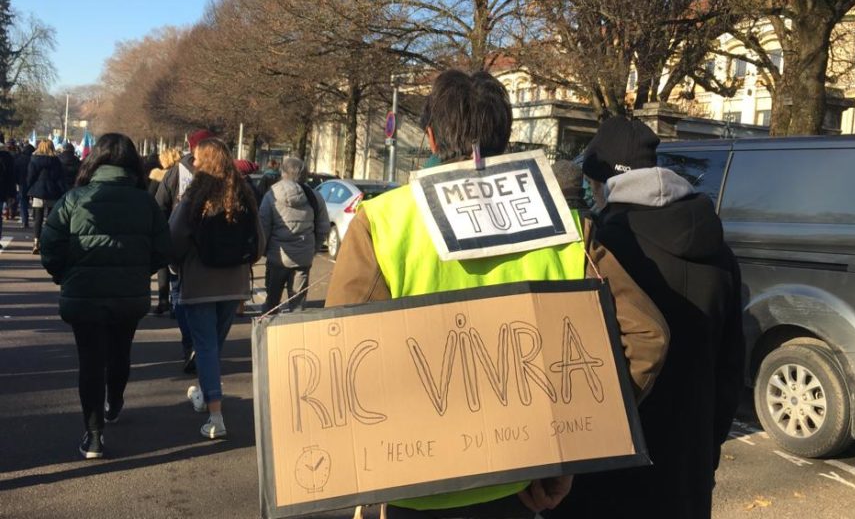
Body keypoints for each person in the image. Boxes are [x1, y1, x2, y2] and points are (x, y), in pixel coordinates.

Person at [326, 69, 669, 519]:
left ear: (430, 138)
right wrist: (579, 439)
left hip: (415, 485)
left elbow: (342, 355)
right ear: (505, 140)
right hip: (520, 482)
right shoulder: (565, 226)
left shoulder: (382, 222)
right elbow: (648, 336)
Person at [548, 118, 744, 519]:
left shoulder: (603, 250)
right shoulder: (720, 250)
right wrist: (707, 452)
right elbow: (731, 368)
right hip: (689, 466)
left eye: (590, 182)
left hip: (610, 470)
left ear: (602, 181)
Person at [39, 133, 171, 459]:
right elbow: (162, 249)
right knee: (120, 351)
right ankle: (115, 400)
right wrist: (140, 272)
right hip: (129, 292)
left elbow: (50, 246)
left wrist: (64, 275)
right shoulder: (146, 202)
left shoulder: (75, 198)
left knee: (90, 361)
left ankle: (94, 434)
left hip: (84, 291)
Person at [169, 137, 264, 439]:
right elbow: (259, 242)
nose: (193, 163)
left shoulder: (194, 196)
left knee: (205, 347)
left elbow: (174, 236)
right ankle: (205, 391)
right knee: (213, 347)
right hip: (234, 283)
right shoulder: (243, 196)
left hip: (200, 282)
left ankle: (215, 415)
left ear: (206, 161)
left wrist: (175, 265)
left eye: (196, 158)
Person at [156, 130, 213, 371]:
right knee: (209, 300)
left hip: (180, 244)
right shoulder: (224, 174)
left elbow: (160, 205)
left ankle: (189, 344)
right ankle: (206, 349)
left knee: (180, 293)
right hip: (211, 247)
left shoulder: (175, 172)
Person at [258, 156, 329, 313]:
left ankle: (268, 332)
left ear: (283, 172)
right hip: (303, 257)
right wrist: (312, 249)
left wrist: (265, 251)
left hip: (278, 257)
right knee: (297, 306)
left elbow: (263, 228)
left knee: (271, 302)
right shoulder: (314, 196)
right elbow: (323, 227)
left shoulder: (272, 195)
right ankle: (296, 335)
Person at [148, 148, 182, 314]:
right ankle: (177, 301)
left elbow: (152, 201)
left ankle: (163, 300)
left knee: (163, 265)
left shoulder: (157, 177)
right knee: (177, 264)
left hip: (162, 224)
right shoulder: (183, 176)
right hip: (180, 224)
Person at [26, 139, 67, 253]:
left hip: (38, 192)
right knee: (50, 220)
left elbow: (30, 177)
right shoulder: (56, 161)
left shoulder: (34, 160)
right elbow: (60, 179)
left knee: (38, 219)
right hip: (53, 192)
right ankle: (48, 242)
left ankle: (36, 242)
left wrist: (28, 190)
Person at [14, 142, 34, 229]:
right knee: (34, 202)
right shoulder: (33, 160)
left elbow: (15, 172)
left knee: (23, 202)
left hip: (21, 183)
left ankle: (24, 221)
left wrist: (16, 182)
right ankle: (35, 216)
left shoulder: (19, 159)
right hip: (33, 183)